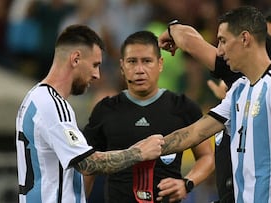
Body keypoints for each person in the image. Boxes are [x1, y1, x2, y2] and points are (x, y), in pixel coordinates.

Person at [158, 6, 271, 203]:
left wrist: (173, 29)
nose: (220, 51)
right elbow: (195, 133)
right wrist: (133, 152)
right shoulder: (239, 86)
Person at [15, 24, 164, 203]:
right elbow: (88, 164)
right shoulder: (52, 105)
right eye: (95, 65)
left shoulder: (34, 98)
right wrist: (139, 152)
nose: (97, 75)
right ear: (76, 59)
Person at [82, 30, 214, 203]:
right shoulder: (105, 110)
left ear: (160, 64)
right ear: (122, 66)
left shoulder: (183, 107)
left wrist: (186, 183)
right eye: (132, 62)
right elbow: (87, 167)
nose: (139, 70)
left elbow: (207, 157)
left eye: (147, 61)